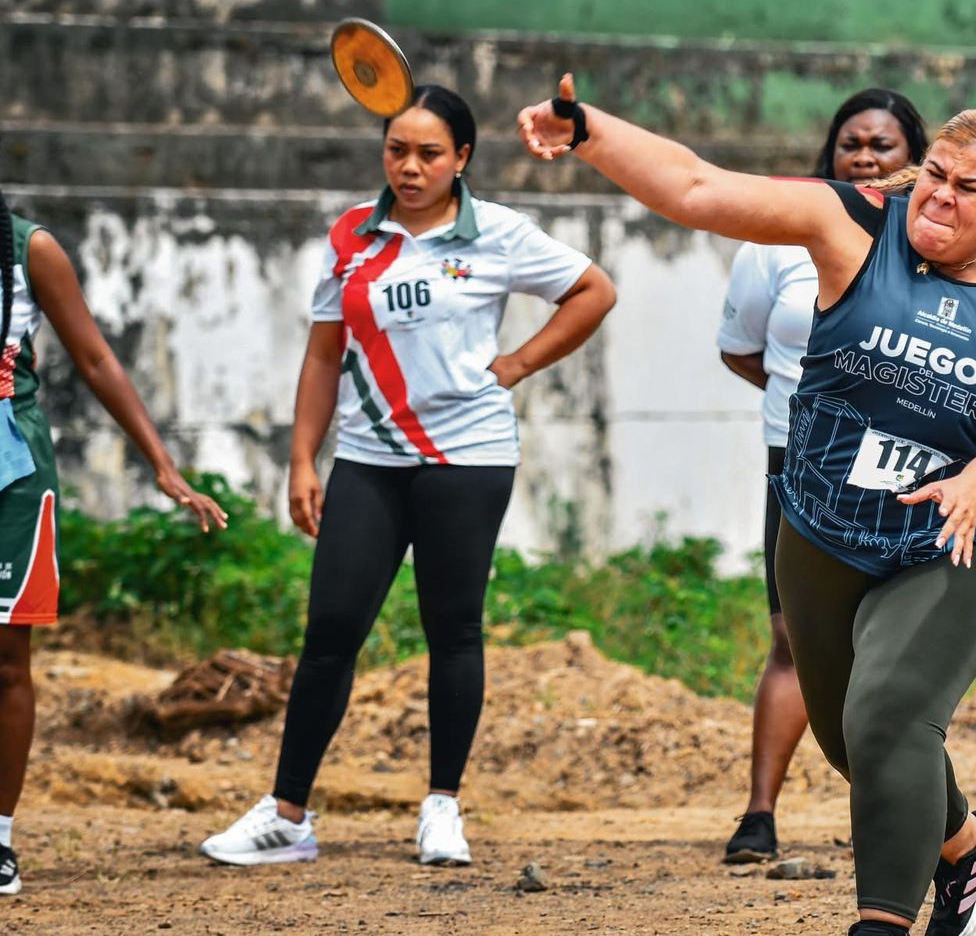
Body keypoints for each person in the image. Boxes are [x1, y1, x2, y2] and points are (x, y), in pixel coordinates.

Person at [519, 75, 976, 936]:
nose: (942, 198)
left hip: (954, 538)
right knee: (852, 741)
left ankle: (879, 923)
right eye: (936, 176)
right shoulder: (851, 224)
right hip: (820, 529)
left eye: (969, 189)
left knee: (888, 714)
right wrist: (587, 128)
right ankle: (971, 842)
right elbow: (698, 189)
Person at [199, 85, 616, 868]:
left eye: (430, 153)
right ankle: (288, 815)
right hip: (369, 458)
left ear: (461, 158)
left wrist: (519, 364)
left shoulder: (496, 232)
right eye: (397, 151)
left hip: (469, 457)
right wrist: (301, 459)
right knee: (330, 633)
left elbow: (595, 291)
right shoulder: (353, 234)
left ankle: (442, 809)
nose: (411, 166)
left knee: (453, 631)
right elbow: (324, 354)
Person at [717, 89, 928, 864]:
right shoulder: (777, 238)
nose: (866, 158)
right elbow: (741, 349)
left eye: (883, 145)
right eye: (852, 144)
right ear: (829, 152)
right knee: (792, 638)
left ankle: (888, 811)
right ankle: (758, 815)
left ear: (916, 156)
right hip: (798, 462)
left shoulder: (928, 241)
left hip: (900, 464)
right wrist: (810, 405)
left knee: (893, 646)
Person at [0, 189, 228, 897]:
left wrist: (162, 465)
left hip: (9, 469)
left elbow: (96, 359)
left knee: (6, 660)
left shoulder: (28, 250)